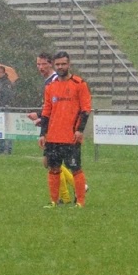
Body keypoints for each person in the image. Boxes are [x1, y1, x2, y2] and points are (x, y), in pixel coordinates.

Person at [38, 51, 93, 208]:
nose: (61, 67)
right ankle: (54, 202)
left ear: (69, 65)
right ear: (54, 66)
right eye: (58, 64)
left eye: (63, 64)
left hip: (71, 137)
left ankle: (80, 202)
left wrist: (79, 130)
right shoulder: (51, 87)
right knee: (53, 169)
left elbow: (85, 109)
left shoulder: (79, 84)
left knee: (75, 169)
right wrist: (43, 133)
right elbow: (46, 111)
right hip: (53, 137)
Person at [27, 53, 77, 202]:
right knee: (51, 163)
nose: (40, 67)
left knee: (50, 162)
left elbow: (59, 106)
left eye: (43, 64)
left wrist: (42, 118)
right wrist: (40, 117)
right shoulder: (49, 81)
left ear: (51, 64)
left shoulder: (56, 80)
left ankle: (77, 188)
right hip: (53, 125)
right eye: (38, 64)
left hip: (57, 128)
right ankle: (67, 196)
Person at [0, 64, 17, 155]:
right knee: (0, 129)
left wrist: (3, 103)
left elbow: (8, 96)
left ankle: (8, 148)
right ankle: (1, 147)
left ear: (3, 73)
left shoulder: (6, 82)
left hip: (4, 108)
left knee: (7, 129)